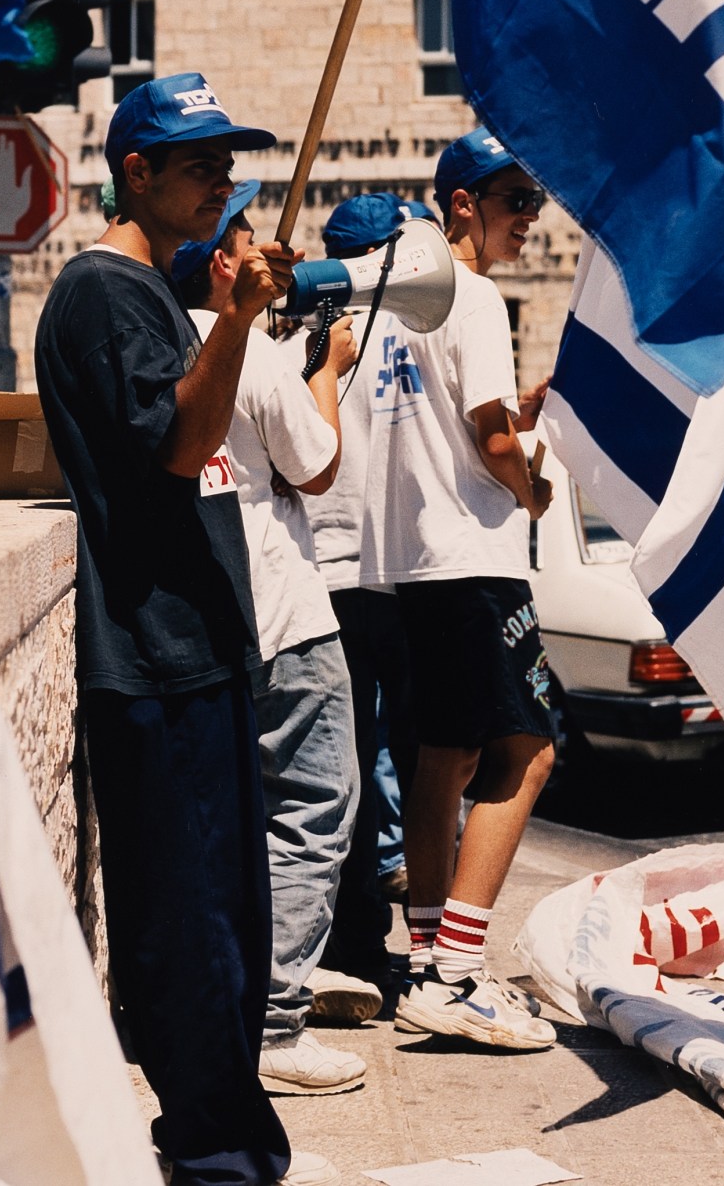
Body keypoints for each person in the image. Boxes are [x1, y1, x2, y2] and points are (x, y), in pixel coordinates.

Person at [32, 73, 329, 1186]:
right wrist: (239, 320)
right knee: (196, 928)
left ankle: (223, 1139)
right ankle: (216, 1156)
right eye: (198, 165)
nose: (220, 183)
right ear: (136, 170)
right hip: (155, 654)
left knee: (227, 920)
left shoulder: (148, 289)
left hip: (196, 650)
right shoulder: (104, 292)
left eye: (225, 165)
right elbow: (180, 442)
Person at [363, 130, 559, 1050]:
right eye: (515, 200)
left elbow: (448, 422)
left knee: (442, 758)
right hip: (475, 561)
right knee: (529, 752)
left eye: (535, 202)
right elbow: (489, 442)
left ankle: (425, 959)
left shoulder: (395, 304)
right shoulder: (474, 296)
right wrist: (534, 489)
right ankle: (457, 971)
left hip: (413, 562)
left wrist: (513, 415)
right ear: (462, 205)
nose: (531, 218)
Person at [175, 198, 372, 1098]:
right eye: (249, 239)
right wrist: (325, 370)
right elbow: (318, 464)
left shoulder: (163, 340)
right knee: (317, 804)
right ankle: (274, 1021)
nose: (267, 251)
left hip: (207, 619)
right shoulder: (248, 349)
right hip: (285, 615)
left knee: (233, 821)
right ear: (225, 264)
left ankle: (235, 994)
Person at [299, 192, 419, 1010]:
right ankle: (411, 934)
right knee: (410, 756)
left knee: (349, 761)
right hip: (396, 575)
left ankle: (360, 939)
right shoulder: (413, 335)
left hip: (329, 577)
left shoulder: (304, 342)